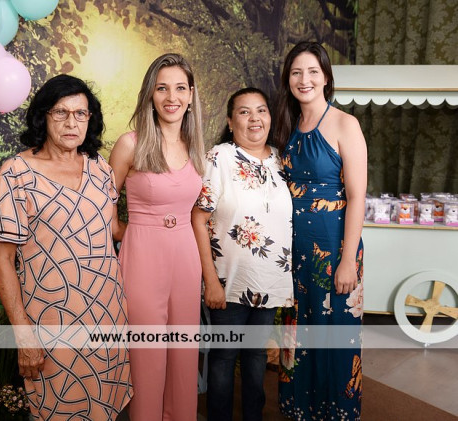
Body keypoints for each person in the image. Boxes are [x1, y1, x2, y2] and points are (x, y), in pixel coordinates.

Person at [0, 74, 132, 420]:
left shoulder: (100, 169)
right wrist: (24, 335)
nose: (71, 122)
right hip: (52, 324)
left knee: (108, 407)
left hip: (108, 317)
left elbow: (113, 230)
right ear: (43, 117)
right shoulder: (16, 174)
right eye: (61, 112)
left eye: (81, 113)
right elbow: (2, 259)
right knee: (60, 409)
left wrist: (167, 227)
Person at [274, 41, 366, 420]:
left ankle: (337, 412)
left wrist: (348, 261)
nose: (304, 79)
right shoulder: (285, 126)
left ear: (326, 77)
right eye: (296, 72)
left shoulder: (345, 123)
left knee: (335, 335)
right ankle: (300, 409)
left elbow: (357, 197)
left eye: (313, 71)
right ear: (288, 79)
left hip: (334, 249)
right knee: (298, 333)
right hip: (294, 251)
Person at [109, 53, 204, 421]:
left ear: (191, 95)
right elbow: (103, 203)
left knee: (183, 356)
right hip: (143, 256)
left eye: (180, 88)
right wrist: (125, 231)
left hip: (186, 256)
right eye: (162, 88)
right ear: (150, 94)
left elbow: (197, 212)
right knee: (147, 357)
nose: (171, 97)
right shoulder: (130, 144)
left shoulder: (196, 148)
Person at [191, 87, 294, 421]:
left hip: (269, 280)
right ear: (230, 121)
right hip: (228, 281)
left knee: (256, 356)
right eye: (244, 112)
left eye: (261, 110)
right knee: (224, 357)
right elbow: (198, 218)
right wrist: (210, 280)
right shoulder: (219, 158)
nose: (254, 119)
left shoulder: (282, 160)